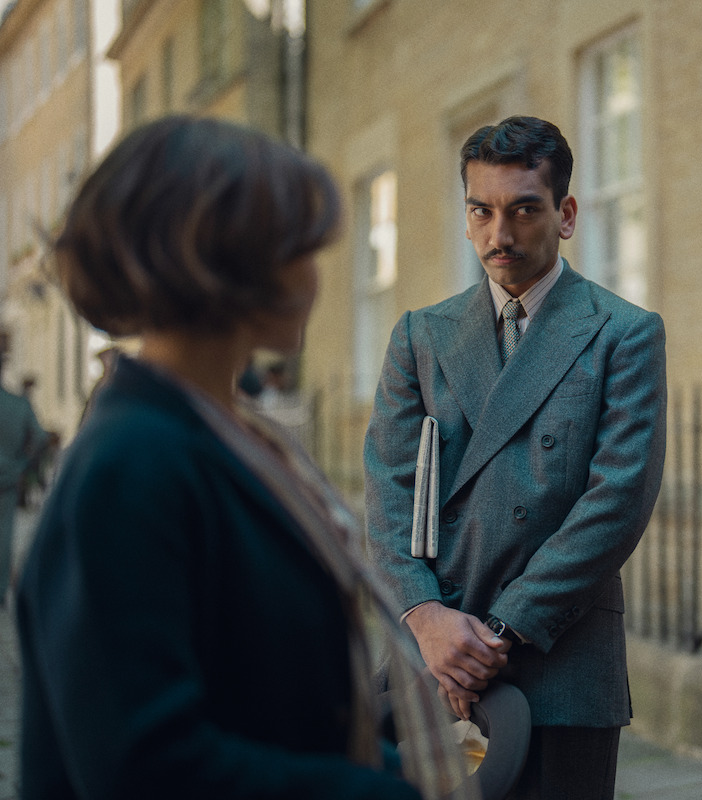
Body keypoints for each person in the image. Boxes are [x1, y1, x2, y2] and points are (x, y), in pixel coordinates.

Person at [17, 115, 470, 800]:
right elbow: (145, 768)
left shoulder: (234, 434)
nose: (317, 280)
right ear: (225, 258)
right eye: (300, 251)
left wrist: (385, 763)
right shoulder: (131, 466)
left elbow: (265, 699)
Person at [364, 115, 667, 799]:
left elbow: (616, 503)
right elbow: (387, 492)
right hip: (427, 659)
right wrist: (428, 619)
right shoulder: (420, 336)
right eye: (483, 211)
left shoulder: (623, 334)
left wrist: (496, 636)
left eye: (524, 210)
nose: (500, 235)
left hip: (559, 662)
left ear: (565, 215)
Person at [0, 355, 48, 607]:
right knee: (4, 530)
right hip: (8, 475)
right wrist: (22, 464)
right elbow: (40, 437)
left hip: (10, 474)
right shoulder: (18, 405)